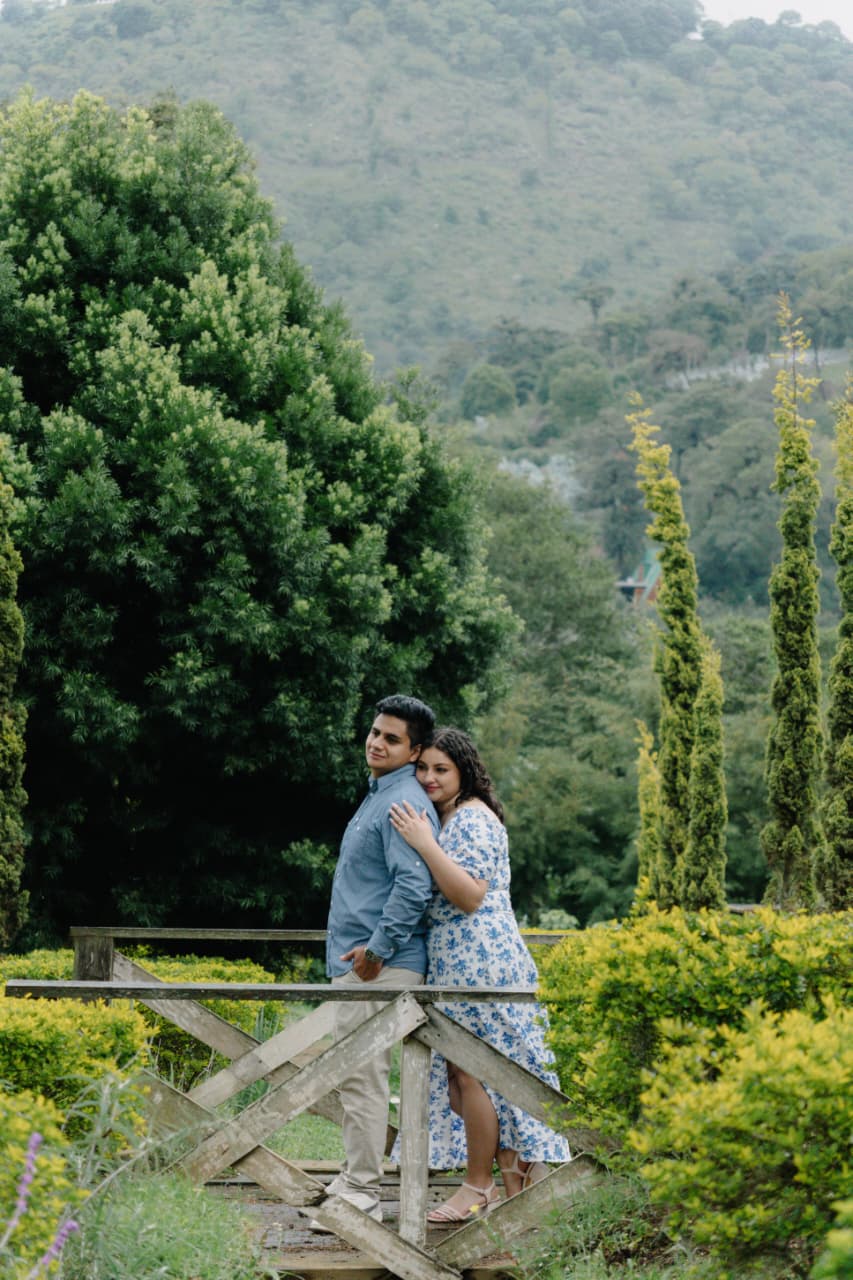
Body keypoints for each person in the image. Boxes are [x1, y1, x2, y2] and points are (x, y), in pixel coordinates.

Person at [389, 726, 570, 1224]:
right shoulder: (448, 816)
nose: (429, 777)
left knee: (476, 1072)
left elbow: (470, 895)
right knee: (475, 1076)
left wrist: (425, 844)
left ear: (464, 771)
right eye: (422, 768)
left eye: (441, 769)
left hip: (481, 956)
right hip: (456, 957)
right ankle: (511, 1186)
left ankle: (477, 1185)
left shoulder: (471, 817)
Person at [317, 694, 439, 1227]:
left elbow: (414, 887)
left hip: (381, 965)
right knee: (354, 1076)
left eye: (392, 738)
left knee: (363, 1077)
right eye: (374, 732)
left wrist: (375, 951)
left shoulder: (402, 802)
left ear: (414, 751)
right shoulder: (379, 794)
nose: (377, 743)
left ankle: (362, 1192)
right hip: (363, 963)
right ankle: (353, 1177)